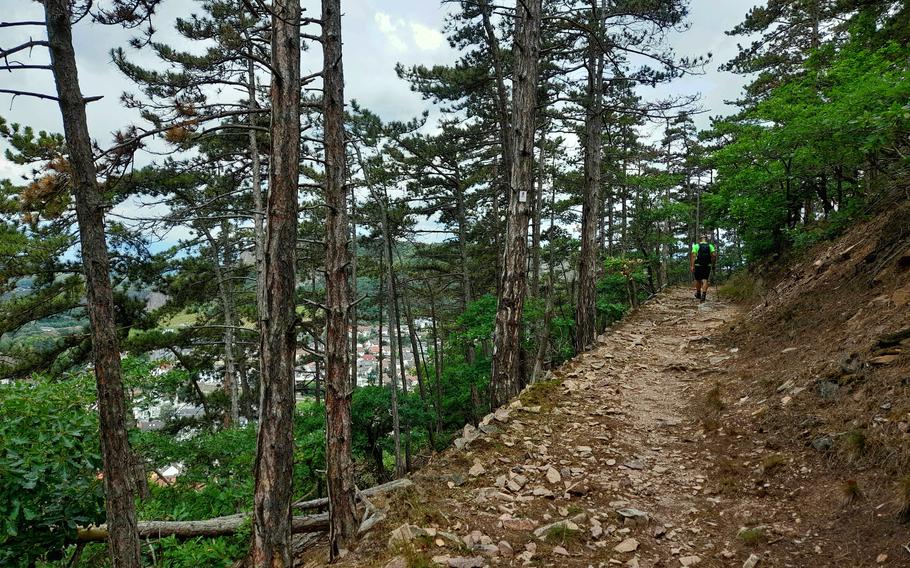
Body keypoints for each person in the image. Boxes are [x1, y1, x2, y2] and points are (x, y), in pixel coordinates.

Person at [690, 235, 717, 301]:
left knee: (698, 280)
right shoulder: (710, 246)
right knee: (705, 280)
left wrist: (692, 266)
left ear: (700, 240)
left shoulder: (696, 246)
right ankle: (703, 295)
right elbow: (714, 255)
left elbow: (693, 256)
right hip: (707, 265)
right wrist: (713, 264)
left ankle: (698, 293)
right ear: (706, 240)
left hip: (698, 265)